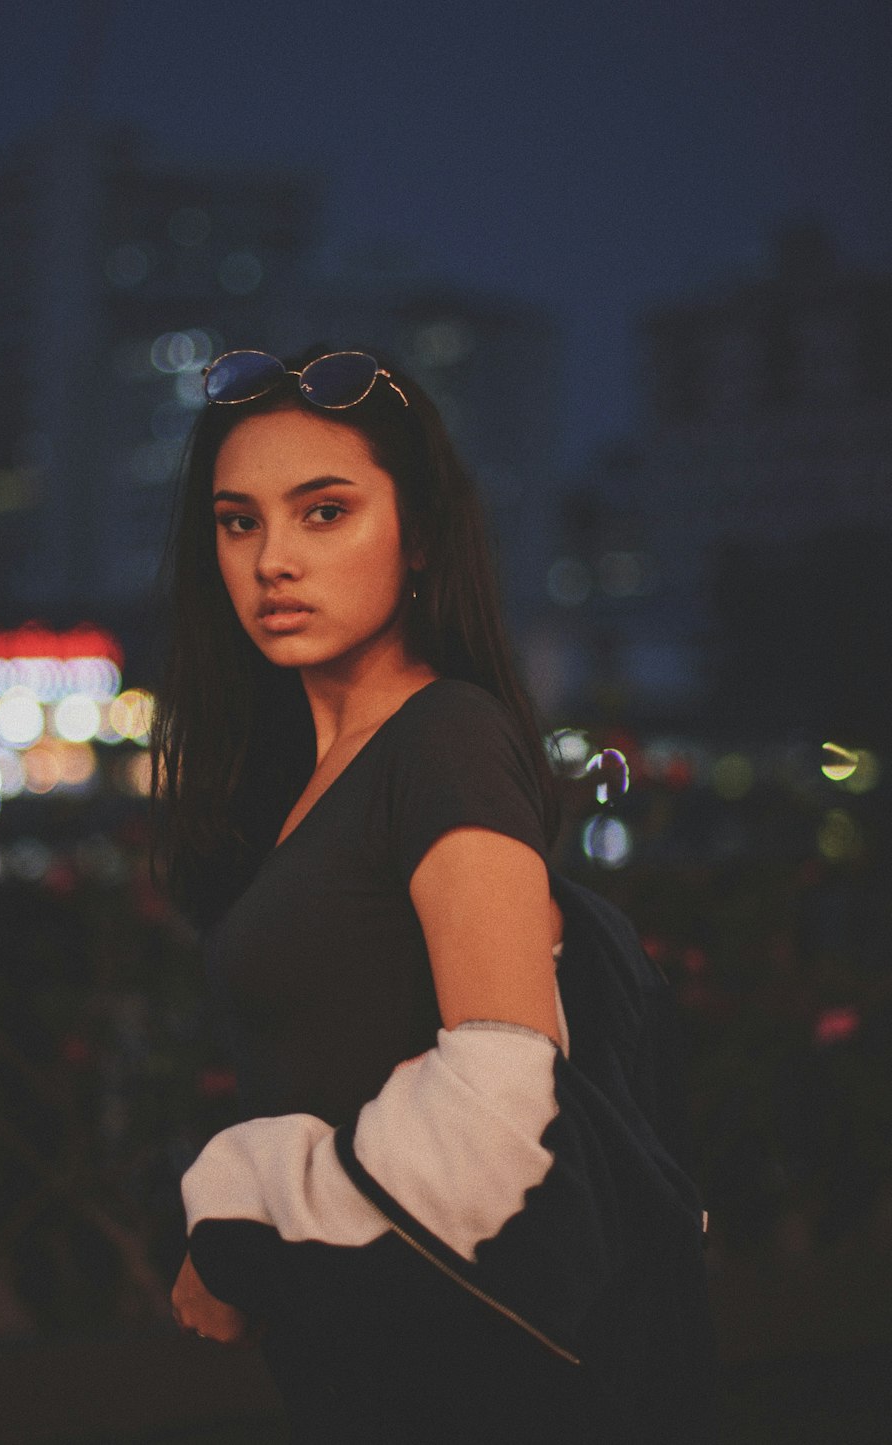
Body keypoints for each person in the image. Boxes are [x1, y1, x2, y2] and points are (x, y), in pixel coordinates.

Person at [151, 348, 716, 1442]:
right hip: (372, 1364)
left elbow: (498, 1108)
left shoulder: (444, 739)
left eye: (324, 512)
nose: (273, 559)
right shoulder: (303, 780)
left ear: (418, 538)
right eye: (238, 520)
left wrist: (244, 1208)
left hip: (482, 1381)